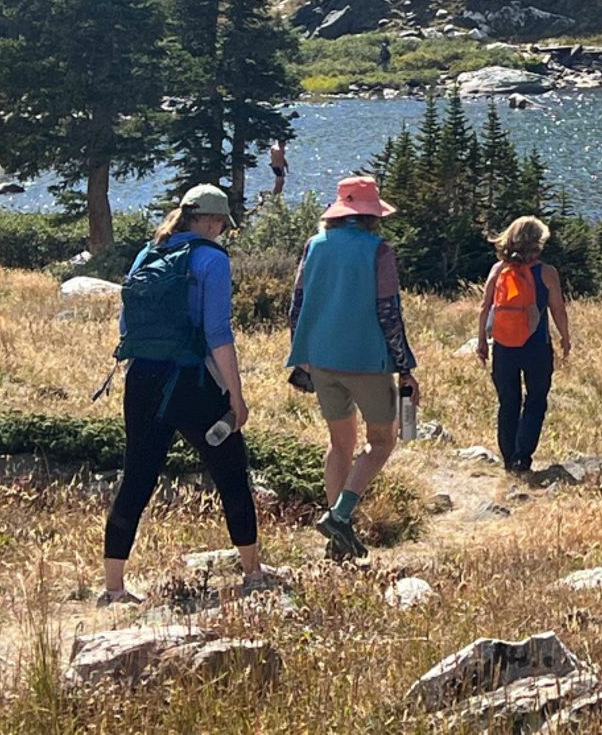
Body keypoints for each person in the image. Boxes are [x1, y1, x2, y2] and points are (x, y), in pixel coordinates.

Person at [101, 184, 280, 605]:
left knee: (137, 478)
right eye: (220, 223)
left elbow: (127, 326)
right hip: (192, 381)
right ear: (211, 221)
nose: (220, 230)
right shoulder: (211, 259)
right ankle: (253, 573)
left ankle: (112, 587)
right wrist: (236, 397)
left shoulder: (148, 254)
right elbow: (218, 333)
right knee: (232, 473)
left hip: (142, 378)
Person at [286, 175, 417, 562]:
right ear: (371, 216)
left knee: (339, 444)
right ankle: (340, 517)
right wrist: (405, 366)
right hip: (366, 359)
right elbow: (388, 313)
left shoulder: (314, 245)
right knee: (381, 442)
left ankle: (336, 542)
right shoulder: (379, 251)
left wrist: (302, 352)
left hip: (321, 358)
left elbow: (297, 304)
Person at [476, 218, 571, 474]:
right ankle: (522, 457)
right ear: (538, 241)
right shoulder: (547, 272)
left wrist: (481, 341)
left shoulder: (498, 270)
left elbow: (485, 307)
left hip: (504, 347)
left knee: (508, 402)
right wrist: (565, 337)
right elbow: (558, 310)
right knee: (536, 400)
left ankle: (508, 459)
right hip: (537, 346)